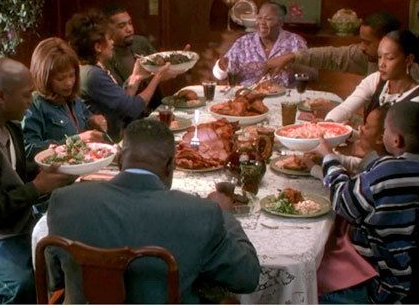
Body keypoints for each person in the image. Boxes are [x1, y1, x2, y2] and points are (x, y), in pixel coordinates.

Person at [46, 119, 261, 303]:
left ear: (119, 159)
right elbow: (247, 278)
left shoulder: (64, 200)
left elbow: (54, 278)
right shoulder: (203, 214)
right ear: (170, 166)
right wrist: (225, 215)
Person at [0, 58, 74, 303]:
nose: (31, 102)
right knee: (20, 286)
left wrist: (54, 162)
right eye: (26, 95)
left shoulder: (6, 123)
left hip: (16, 222)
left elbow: (11, 172)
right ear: (0, 96)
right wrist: (36, 188)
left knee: (69, 255)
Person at [313, 101, 419, 303]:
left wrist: (329, 157)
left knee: (314, 283)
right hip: (401, 268)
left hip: (372, 274)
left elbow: (342, 201)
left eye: (386, 130)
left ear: (396, 140)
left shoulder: (386, 173)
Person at [65, 9, 176, 141]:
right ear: (98, 47)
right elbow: (132, 108)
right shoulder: (92, 75)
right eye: (109, 39)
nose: (112, 43)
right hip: (109, 143)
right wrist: (157, 77)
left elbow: (122, 102)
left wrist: (136, 77)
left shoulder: (93, 68)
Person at [265, 11, 419, 80]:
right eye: (361, 41)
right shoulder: (367, 56)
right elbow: (331, 56)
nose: (361, 47)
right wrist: (292, 56)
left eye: (367, 42)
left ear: (386, 42)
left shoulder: (408, 74)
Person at [22, 37, 107, 159]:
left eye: (72, 75)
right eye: (60, 78)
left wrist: (95, 120)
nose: (68, 83)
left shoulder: (74, 99)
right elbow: (28, 149)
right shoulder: (34, 105)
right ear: (44, 78)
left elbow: (86, 119)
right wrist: (72, 141)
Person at [325, 29, 419, 122]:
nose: (381, 64)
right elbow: (345, 108)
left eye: (389, 58)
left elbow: (395, 143)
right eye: (379, 57)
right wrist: (328, 124)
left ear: (408, 59)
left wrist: (352, 135)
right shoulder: (376, 79)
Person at [212, 2, 311, 87]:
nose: (262, 23)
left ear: (280, 23)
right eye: (259, 18)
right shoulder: (242, 43)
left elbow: (313, 74)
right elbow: (220, 74)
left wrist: (290, 64)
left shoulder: (295, 42)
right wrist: (221, 67)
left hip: (284, 97)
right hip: (247, 97)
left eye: (268, 19)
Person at [102, 3, 156, 84]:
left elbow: (161, 66)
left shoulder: (141, 42)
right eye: (122, 26)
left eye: (130, 23)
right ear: (108, 30)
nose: (129, 29)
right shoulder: (106, 55)